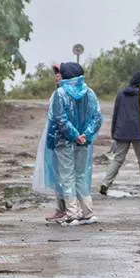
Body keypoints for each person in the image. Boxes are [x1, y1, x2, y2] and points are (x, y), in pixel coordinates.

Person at [42, 63, 103, 225]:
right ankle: (88, 212)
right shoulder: (90, 93)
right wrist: (85, 135)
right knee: (81, 175)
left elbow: (60, 119)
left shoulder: (60, 93)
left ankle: (72, 213)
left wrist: (75, 136)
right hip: (84, 142)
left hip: (64, 142)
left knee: (67, 177)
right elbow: (97, 118)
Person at [100, 72, 140, 196]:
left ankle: (106, 183)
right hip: (138, 131)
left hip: (122, 131)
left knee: (118, 159)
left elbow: (116, 113)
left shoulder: (121, 93)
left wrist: (114, 132)